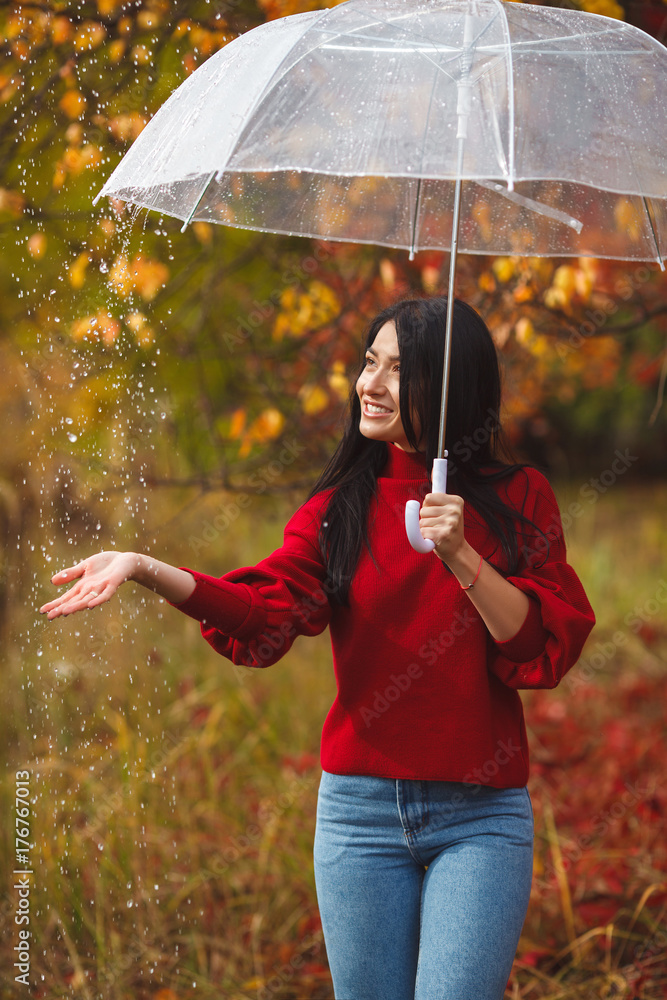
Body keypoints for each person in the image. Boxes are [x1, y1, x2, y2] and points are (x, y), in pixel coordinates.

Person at [40, 296, 595, 1000]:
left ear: (452, 387)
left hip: (479, 816)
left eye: (399, 370)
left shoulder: (518, 498)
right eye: (369, 362)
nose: (371, 384)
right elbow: (261, 613)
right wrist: (147, 569)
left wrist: (460, 555)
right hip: (358, 815)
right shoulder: (340, 508)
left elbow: (538, 649)